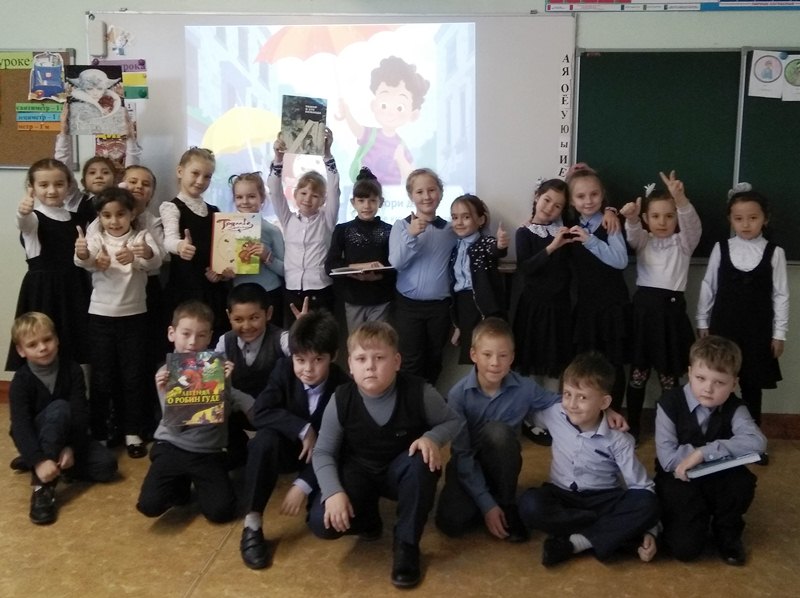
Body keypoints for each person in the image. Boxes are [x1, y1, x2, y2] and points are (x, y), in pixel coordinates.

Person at [309, 321, 461, 588]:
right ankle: (368, 519)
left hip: (401, 471)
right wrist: (333, 492)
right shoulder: (341, 398)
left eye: (379, 358)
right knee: (322, 523)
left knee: (423, 461)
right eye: (361, 359)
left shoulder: (419, 391)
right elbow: (323, 452)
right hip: (359, 471)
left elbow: (453, 421)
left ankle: (406, 544)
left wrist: (431, 438)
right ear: (350, 365)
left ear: (397, 361)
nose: (370, 366)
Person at [518, 351, 659, 566]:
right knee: (530, 504)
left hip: (603, 499)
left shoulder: (619, 439)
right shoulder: (554, 413)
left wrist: (651, 529)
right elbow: (524, 410)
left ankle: (576, 542)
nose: (572, 404)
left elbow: (642, 487)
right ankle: (614, 532)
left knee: (648, 503)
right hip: (562, 495)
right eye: (567, 394)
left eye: (582, 397)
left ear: (604, 402)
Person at [239, 310, 350, 569]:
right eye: (300, 360)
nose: (307, 369)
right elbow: (260, 412)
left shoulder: (343, 388)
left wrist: (303, 484)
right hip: (288, 448)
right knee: (263, 440)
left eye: (318, 360)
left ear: (333, 356)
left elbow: (340, 447)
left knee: (323, 523)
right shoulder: (283, 369)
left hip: (323, 460)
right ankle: (252, 523)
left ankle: (315, 499)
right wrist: (303, 428)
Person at [435, 317, 562, 542]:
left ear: (511, 358)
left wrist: (605, 410)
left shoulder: (525, 388)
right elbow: (462, 454)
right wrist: (486, 505)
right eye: (487, 355)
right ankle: (487, 501)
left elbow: (560, 402)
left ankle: (506, 503)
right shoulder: (458, 395)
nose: (495, 363)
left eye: (503, 356)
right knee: (451, 522)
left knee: (498, 432)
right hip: (467, 465)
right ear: (473, 355)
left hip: (501, 465)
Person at [136, 301, 254, 523]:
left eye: (200, 335)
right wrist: (164, 392)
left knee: (222, 512)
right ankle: (179, 483)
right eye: (186, 334)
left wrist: (225, 385)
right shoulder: (165, 372)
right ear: (172, 333)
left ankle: (197, 481)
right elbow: (175, 427)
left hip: (207, 450)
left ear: (209, 337)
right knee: (149, 505)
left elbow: (220, 418)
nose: (192, 342)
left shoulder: (214, 367)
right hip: (171, 446)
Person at [654, 335, 767, 565]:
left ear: (734, 383)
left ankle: (727, 530)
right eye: (701, 378)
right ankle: (693, 518)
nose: (708, 388)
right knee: (685, 550)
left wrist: (703, 453)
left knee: (741, 483)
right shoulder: (669, 403)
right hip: (680, 479)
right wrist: (710, 453)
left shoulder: (735, 406)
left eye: (719, 382)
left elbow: (757, 442)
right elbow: (668, 459)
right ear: (689, 373)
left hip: (720, 477)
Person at [74, 187, 162, 457]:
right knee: (102, 377)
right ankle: (100, 433)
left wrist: (141, 255)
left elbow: (156, 262)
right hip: (100, 318)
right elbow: (82, 261)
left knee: (133, 376)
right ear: (99, 216)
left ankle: (132, 432)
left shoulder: (141, 236)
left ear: (132, 214)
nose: (114, 221)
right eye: (107, 215)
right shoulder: (96, 237)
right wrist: (85, 254)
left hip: (134, 317)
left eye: (120, 214)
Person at [9, 312, 117, 525]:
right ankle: (42, 486)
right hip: (36, 433)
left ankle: (43, 462)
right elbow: (21, 426)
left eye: (47, 339)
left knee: (107, 466)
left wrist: (71, 448)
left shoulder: (72, 370)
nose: (42, 348)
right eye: (32, 344)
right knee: (59, 408)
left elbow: (80, 414)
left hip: (70, 435)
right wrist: (39, 460)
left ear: (57, 339)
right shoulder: (20, 381)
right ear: (21, 351)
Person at [619, 170, 702, 444]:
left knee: (669, 378)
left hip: (671, 317)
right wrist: (632, 219)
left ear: (677, 218)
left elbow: (693, 227)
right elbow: (632, 237)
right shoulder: (644, 240)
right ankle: (633, 426)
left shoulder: (684, 243)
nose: (662, 222)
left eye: (669, 216)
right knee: (638, 375)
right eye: (655, 216)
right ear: (646, 218)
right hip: (643, 315)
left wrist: (681, 200)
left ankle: (670, 428)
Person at [696, 184, 788, 429]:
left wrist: (779, 334)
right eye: (739, 219)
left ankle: (751, 437)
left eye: (753, 218)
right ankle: (715, 433)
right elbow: (708, 286)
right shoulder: (721, 248)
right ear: (731, 220)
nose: (746, 224)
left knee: (751, 384)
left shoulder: (775, 253)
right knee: (718, 380)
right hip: (723, 328)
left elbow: (781, 295)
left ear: (765, 219)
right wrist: (702, 321)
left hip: (758, 331)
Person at [6, 158, 91, 371]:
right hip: (43, 291)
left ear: (69, 185)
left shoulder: (77, 219)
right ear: (32, 188)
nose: (52, 190)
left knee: (73, 346)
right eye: (43, 185)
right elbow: (24, 223)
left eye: (59, 184)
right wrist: (22, 212)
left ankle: (73, 390)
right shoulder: (34, 218)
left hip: (75, 288)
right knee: (42, 345)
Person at [565, 163, 631, 408]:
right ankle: (587, 414)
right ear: (571, 201)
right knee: (584, 363)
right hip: (586, 307)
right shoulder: (570, 224)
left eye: (594, 194)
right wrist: (568, 177)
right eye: (580, 196)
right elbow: (546, 203)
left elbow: (621, 260)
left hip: (612, 305)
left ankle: (613, 414)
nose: (588, 201)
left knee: (614, 363)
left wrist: (591, 240)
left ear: (603, 195)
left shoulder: (609, 222)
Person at [388, 168, 457, 384]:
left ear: (440, 193)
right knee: (410, 361)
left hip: (440, 308)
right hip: (408, 306)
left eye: (432, 190)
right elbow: (397, 263)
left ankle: (429, 402)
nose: (426, 196)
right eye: (419, 192)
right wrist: (411, 235)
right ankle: (411, 403)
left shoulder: (451, 230)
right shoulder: (401, 226)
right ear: (411, 196)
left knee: (434, 359)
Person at [268, 129, 340, 324]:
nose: (308, 199)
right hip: (292, 290)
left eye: (315, 195)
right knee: (294, 338)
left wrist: (327, 155)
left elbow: (334, 189)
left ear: (323, 200)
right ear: (295, 194)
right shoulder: (288, 219)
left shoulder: (327, 220)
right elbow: (274, 191)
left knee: (321, 339)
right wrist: (278, 159)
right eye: (303, 193)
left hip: (321, 289)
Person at [160, 147, 231, 342]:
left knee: (212, 344)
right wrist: (180, 246)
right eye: (195, 173)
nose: (200, 181)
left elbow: (222, 252)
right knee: (186, 346)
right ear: (180, 171)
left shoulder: (215, 211)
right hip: (185, 290)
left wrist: (222, 273)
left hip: (213, 291)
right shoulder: (171, 207)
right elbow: (169, 240)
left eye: (207, 176)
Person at [213, 282, 287, 469]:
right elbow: (212, 383)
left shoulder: (281, 338)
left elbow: (301, 349)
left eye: (254, 318)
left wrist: (304, 333)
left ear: (268, 313)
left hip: (274, 413)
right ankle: (237, 451)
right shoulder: (225, 341)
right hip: (238, 414)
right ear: (229, 316)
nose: (246, 326)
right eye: (238, 319)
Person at [512, 178, 575, 383]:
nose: (549, 208)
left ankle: (555, 402)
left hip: (559, 307)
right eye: (547, 200)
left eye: (557, 206)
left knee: (557, 362)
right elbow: (525, 268)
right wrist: (552, 247)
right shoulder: (524, 232)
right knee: (530, 361)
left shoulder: (564, 232)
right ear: (537, 197)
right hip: (534, 307)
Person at [338, 56, 430, 185]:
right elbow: (357, 130)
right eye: (384, 105)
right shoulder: (372, 134)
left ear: (413, 115)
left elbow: (411, 175)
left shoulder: (401, 146)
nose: (391, 112)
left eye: (400, 107)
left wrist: (401, 160)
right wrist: (347, 113)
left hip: (391, 193)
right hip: (367, 188)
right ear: (373, 105)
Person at [325, 166, 395, 334]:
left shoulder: (390, 230)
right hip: (353, 298)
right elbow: (330, 265)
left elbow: (395, 266)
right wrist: (356, 269)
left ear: (380, 202)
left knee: (378, 342)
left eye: (372, 200)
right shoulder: (343, 230)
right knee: (356, 342)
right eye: (361, 200)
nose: (367, 206)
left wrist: (378, 275)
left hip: (381, 298)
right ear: (353, 202)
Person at [449, 194, 508, 364]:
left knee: (488, 353)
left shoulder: (485, 242)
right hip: (463, 305)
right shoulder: (455, 247)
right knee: (473, 355)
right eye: (455, 217)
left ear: (481, 220)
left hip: (484, 306)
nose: (459, 222)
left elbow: (495, 250)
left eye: (466, 217)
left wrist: (501, 245)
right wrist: (457, 325)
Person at [228, 171, 286, 326]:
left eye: (251, 196)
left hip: (269, 294)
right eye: (239, 197)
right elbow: (225, 264)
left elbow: (285, 270)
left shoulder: (272, 230)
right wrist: (222, 273)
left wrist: (267, 257)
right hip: (240, 296)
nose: (245, 202)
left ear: (262, 198)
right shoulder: (227, 229)